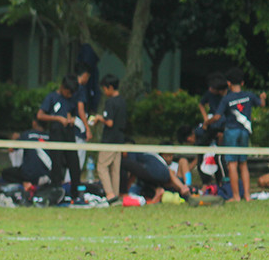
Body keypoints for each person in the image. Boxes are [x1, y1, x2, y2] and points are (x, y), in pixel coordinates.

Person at [215, 67, 266, 202]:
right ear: (242, 83)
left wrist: (207, 122)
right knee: (243, 163)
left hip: (231, 132)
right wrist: (262, 97)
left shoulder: (226, 99)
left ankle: (236, 196)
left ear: (229, 83)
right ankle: (247, 196)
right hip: (245, 131)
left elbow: (218, 116)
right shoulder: (249, 95)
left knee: (232, 164)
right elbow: (261, 104)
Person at [36, 75, 80, 198]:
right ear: (62, 87)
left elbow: (72, 113)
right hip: (56, 132)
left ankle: (75, 192)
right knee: (57, 163)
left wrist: (71, 119)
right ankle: (56, 191)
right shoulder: (52, 97)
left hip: (69, 133)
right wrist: (57, 118)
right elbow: (40, 115)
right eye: (68, 92)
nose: (69, 95)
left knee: (74, 163)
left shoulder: (71, 99)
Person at [89, 73, 126, 204]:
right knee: (115, 169)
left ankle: (110, 195)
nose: (104, 92)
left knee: (102, 167)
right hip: (119, 138)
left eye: (104, 89)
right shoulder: (122, 101)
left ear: (110, 87)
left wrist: (99, 118)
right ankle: (115, 194)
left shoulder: (110, 102)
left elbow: (109, 122)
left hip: (109, 139)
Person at [121, 149, 191, 203]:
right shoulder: (154, 160)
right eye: (167, 156)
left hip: (176, 183)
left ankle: (187, 186)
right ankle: (184, 188)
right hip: (167, 184)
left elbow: (133, 172)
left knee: (182, 161)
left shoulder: (131, 153)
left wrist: (126, 190)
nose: (170, 157)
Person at [1, 120, 52, 187]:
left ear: (34, 123)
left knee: (6, 173)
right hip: (46, 173)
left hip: (29, 175)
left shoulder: (27, 134)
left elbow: (11, 149)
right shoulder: (51, 136)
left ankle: (25, 183)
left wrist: (15, 139)